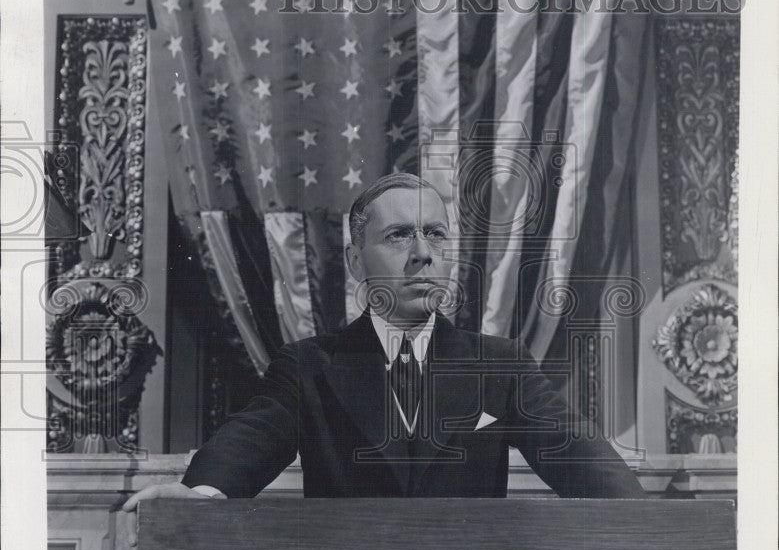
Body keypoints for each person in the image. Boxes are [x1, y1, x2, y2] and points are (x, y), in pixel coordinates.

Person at [123, 172, 644, 513]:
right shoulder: (310, 367)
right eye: (399, 236)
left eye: (435, 234)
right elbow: (250, 439)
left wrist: (643, 517)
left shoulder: (499, 365)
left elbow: (579, 454)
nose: (422, 253)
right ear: (355, 262)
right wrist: (198, 495)